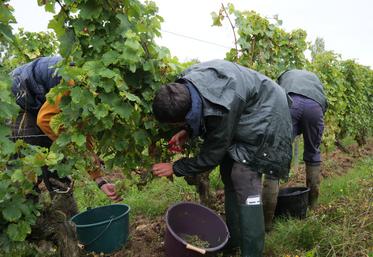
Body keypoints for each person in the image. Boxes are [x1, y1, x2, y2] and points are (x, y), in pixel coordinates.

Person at [151, 60, 293, 257]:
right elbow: (203, 110)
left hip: (267, 114)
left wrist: (175, 167)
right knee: (228, 174)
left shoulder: (224, 107)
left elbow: (211, 156)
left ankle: (252, 252)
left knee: (243, 175)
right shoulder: (185, 84)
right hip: (242, 111)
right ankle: (233, 243)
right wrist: (187, 130)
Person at [10, 56, 121, 217]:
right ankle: (31, 224)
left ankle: (68, 220)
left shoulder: (94, 96)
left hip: (40, 100)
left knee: (57, 157)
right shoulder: (78, 82)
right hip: (18, 99)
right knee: (31, 166)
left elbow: (82, 137)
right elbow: (45, 120)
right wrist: (76, 151)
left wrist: (99, 180)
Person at [262, 69, 327, 232]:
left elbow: (276, 99)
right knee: (313, 153)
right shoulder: (314, 77)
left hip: (290, 102)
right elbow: (322, 102)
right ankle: (312, 208)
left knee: (275, 159)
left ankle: (267, 224)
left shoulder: (283, 77)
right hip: (315, 106)